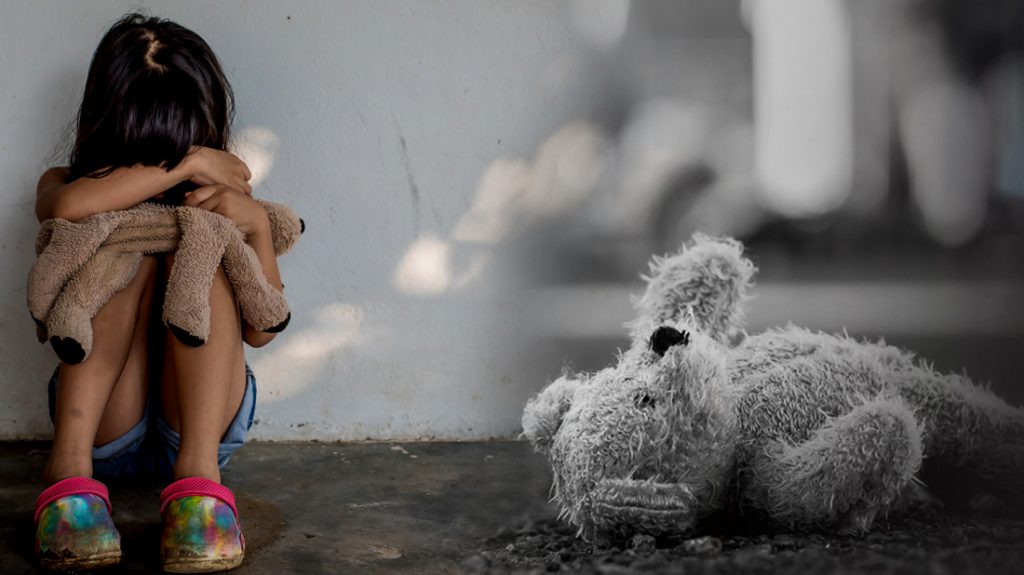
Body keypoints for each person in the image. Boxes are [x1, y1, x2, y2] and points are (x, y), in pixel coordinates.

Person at [32, 13, 283, 573]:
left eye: (180, 149)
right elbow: (68, 207)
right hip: (104, 426)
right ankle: (67, 469)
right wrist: (188, 162)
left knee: (204, 247)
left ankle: (199, 484)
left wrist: (258, 228)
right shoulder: (64, 183)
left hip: (197, 428)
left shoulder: (220, 200)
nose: (167, 166)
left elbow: (262, 331)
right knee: (117, 249)